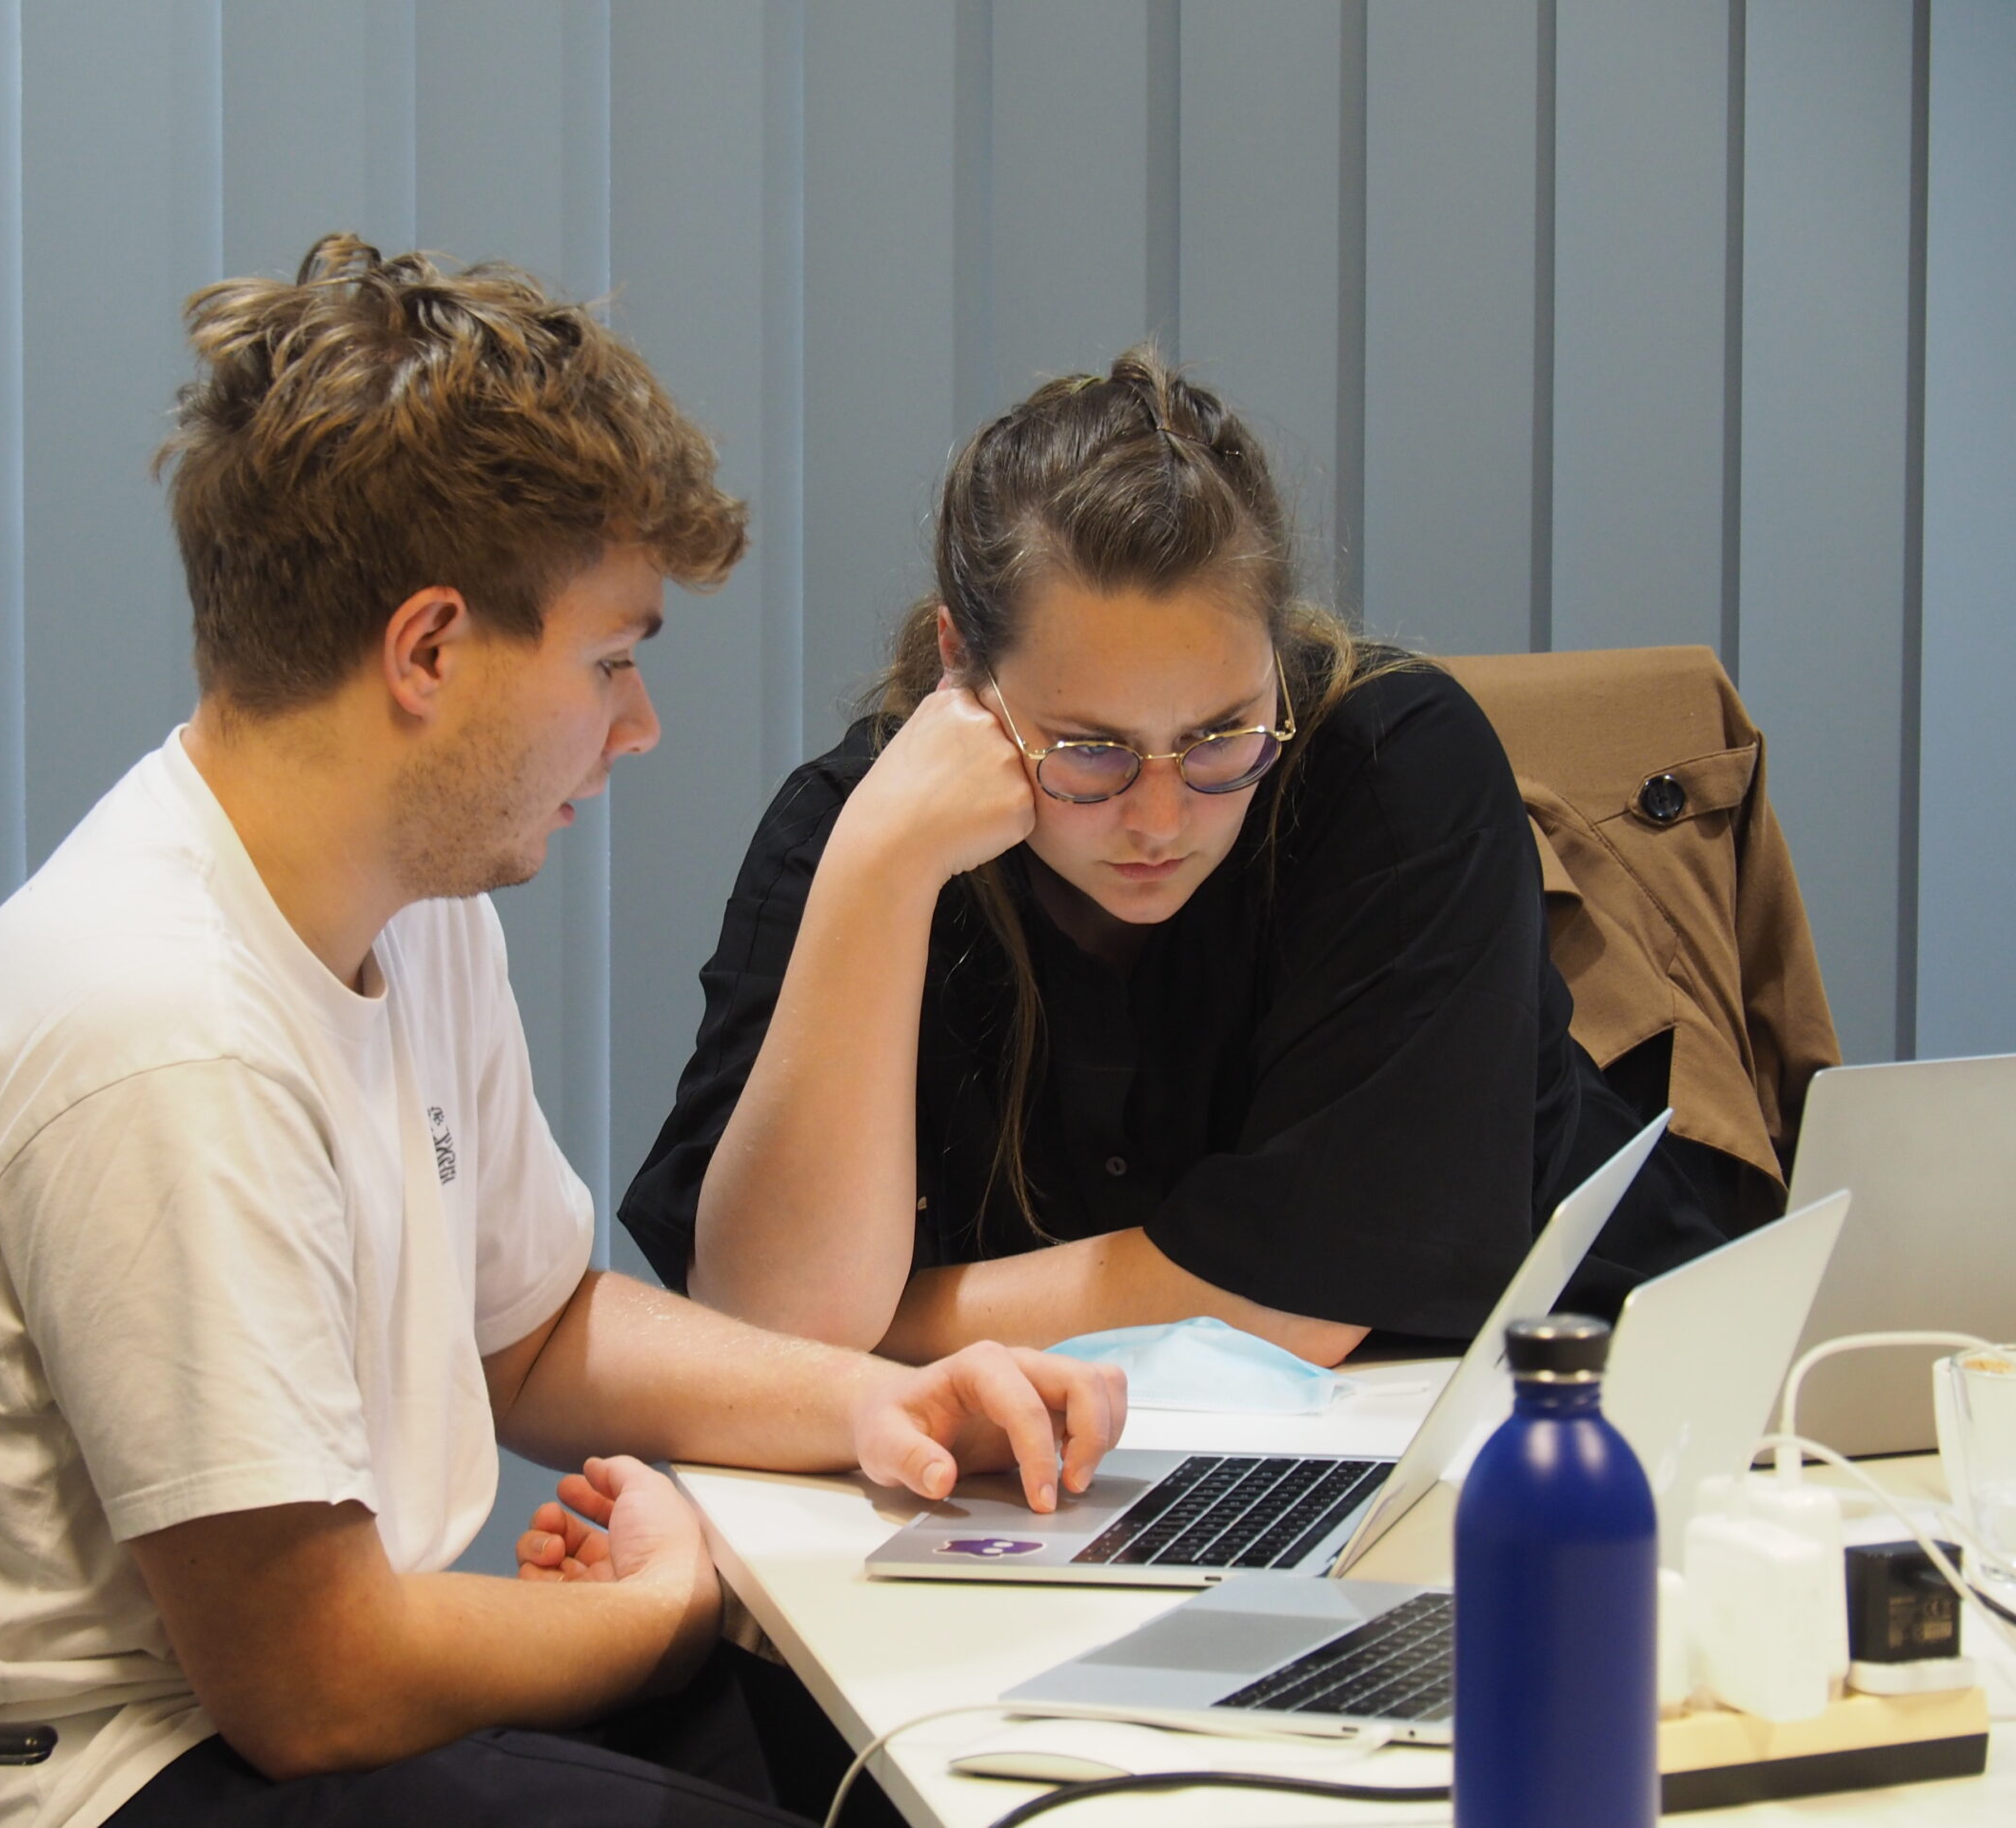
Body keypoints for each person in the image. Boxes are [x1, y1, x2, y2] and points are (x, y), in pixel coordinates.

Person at [0, 237, 1125, 1828]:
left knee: (862, 1756)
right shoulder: (163, 1025)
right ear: (431, 651)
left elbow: (521, 1334)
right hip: (39, 1786)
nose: (641, 726)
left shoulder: (410, 900)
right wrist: (651, 1609)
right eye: (611, 663)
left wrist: (871, 1404)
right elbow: (318, 1680)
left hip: (223, 1710)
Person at [619, 348, 1738, 1367]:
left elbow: (1298, 1300)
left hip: (1589, 1408)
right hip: (1058, 1482)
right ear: (962, 664)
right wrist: (881, 873)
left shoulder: (1395, 771)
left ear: (1279, 652)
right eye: (1090, 751)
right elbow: (762, 1318)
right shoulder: (848, 831)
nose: (1161, 818)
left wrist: (868, 1335)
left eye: (1220, 737)